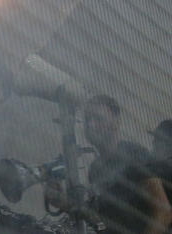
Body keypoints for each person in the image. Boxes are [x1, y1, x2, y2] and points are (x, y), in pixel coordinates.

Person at [47, 95, 172, 234]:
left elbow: (164, 213)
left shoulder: (133, 155)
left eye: (98, 119)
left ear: (116, 122)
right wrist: (66, 203)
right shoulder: (96, 169)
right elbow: (102, 223)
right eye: (88, 120)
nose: (92, 125)